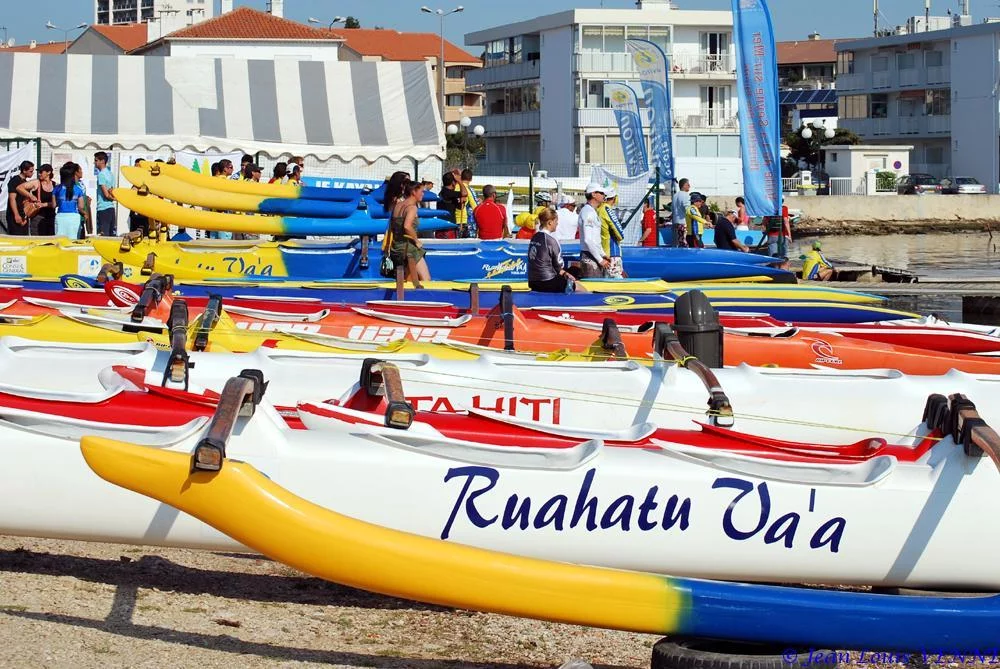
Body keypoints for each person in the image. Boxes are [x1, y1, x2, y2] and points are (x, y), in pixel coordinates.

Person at [528, 208, 586, 294]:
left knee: (572, 271)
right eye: (556, 221)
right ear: (550, 222)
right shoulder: (551, 240)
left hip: (533, 282)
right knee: (580, 287)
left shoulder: (534, 237)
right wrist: (569, 276)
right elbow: (559, 266)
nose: (557, 223)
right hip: (547, 281)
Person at [388, 179, 431, 288]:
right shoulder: (412, 208)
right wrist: (416, 240)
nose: (423, 194)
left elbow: (392, 226)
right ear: (413, 192)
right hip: (409, 248)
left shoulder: (397, 205)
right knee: (426, 279)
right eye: (421, 191)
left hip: (396, 247)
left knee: (407, 280)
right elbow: (407, 226)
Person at [578, 183, 609, 278]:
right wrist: (600, 259)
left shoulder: (591, 211)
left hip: (592, 255)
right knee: (593, 289)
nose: (604, 195)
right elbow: (588, 240)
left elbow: (595, 239)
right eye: (601, 193)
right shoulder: (588, 212)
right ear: (593, 194)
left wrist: (603, 254)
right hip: (590, 256)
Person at [53, 163, 87, 239]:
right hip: (74, 217)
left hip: (60, 217)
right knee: (73, 241)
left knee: (60, 241)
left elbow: (54, 205)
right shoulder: (78, 189)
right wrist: (85, 214)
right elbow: (80, 207)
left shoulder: (56, 188)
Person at [598, 189, 625, 278]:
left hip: (602, 250)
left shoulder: (598, 209)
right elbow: (619, 234)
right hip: (612, 251)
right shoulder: (607, 209)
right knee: (616, 278)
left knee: (606, 278)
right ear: (614, 198)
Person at [22, 164, 56, 236]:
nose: (39, 174)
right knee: (38, 241)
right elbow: (19, 188)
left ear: (48, 172)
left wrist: (44, 205)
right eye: (39, 172)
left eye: (41, 172)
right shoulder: (36, 183)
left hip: (51, 218)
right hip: (37, 217)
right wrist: (30, 196)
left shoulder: (55, 185)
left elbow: (57, 203)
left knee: (51, 243)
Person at [5, 160, 35, 235]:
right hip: (14, 214)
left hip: (23, 213)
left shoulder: (25, 182)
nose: (32, 173)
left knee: (24, 238)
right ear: (24, 170)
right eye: (31, 171)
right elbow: (12, 199)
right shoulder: (15, 181)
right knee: (15, 237)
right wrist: (16, 214)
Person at [94, 152, 116, 236]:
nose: (95, 163)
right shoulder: (110, 174)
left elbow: (106, 194)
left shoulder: (101, 174)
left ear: (102, 161)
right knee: (111, 235)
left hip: (102, 208)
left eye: (96, 160)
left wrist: (112, 198)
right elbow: (112, 191)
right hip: (111, 208)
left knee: (103, 236)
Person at [671, 177, 691, 246]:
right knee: (684, 244)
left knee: (678, 244)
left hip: (675, 222)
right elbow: (688, 209)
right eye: (688, 185)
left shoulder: (675, 195)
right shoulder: (686, 195)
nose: (689, 186)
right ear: (684, 185)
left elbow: (673, 209)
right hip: (683, 223)